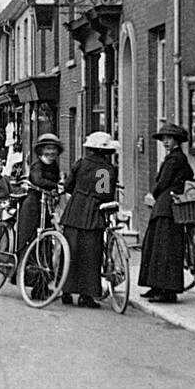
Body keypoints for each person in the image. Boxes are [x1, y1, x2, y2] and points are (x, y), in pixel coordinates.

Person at [59, 132, 119, 308]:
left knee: (70, 250)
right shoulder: (107, 170)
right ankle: (87, 295)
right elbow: (106, 195)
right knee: (91, 254)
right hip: (93, 213)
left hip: (74, 210)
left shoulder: (80, 163)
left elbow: (68, 186)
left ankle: (66, 290)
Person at [138, 122, 195, 303]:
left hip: (166, 206)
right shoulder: (178, 158)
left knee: (163, 248)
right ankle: (156, 286)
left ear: (177, 140)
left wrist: (153, 193)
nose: (165, 142)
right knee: (158, 247)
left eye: (169, 138)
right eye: (164, 139)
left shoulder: (174, 159)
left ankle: (166, 290)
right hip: (166, 205)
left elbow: (163, 182)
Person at [17, 134, 63, 251]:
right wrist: (55, 185)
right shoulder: (37, 165)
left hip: (48, 202)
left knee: (48, 230)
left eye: (54, 149)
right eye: (48, 149)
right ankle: (24, 259)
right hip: (34, 202)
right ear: (42, 150)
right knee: (30, 231)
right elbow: (38, 180)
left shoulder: (54, 165)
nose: (51, 152)